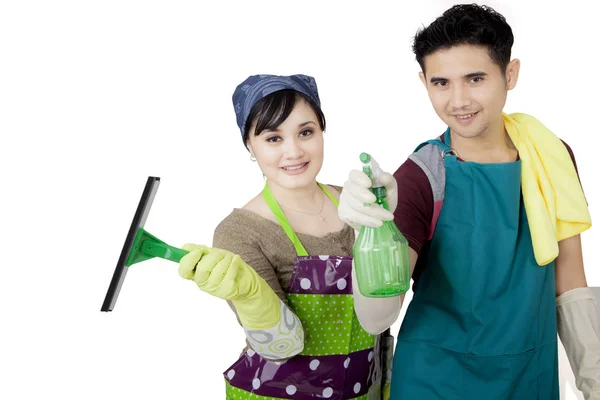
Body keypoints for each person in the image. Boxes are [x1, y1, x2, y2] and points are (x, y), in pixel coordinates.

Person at [338, 4, 600, 399]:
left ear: (509, 74)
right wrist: (372, 233)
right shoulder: (420, 177)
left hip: (529, 377)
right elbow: (377, 317)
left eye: (475, 78)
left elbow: (570, 282)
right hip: (436, 381)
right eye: (441, 83)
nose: (458, 100)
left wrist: (593, 378)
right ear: (424, 81)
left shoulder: (550, 157)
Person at [178, 74, 393, 399]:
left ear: (322, 132)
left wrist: (384, 227)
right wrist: (250, 296)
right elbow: (281, 346)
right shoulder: (241, 231)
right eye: (273, 138)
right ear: (250, 145)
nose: (293, 151)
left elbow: (385, 305)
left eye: (306, 132)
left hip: (364, 390)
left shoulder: (355, 203)